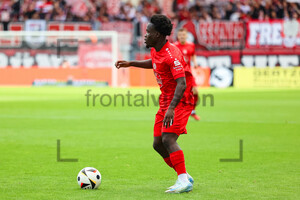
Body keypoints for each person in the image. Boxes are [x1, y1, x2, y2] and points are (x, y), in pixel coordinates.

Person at [115, 14, 194, 193]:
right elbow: (155, 63)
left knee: (168, 138)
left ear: (157, 34)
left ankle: (182, 180)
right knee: (157, 144)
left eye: (148, 32)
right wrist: (131, 63)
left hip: (180, 100)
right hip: (166, 99)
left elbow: (182, 83)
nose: (145, 35)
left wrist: (172, 108)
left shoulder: (172, 55)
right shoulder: (156, 49)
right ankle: (184, 176)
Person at [174, 28, 200, 121]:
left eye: (183, 35)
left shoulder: (191, 45)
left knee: (195, 91)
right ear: (178, 36)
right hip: (178, 74)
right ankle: (177, 113)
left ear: (186, 36)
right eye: (180, 35)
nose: (182, 36)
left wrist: (195, 62)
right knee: (180, 95)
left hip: (188, 73)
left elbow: (193, 54)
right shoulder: (174, 46)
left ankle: (192, 111)